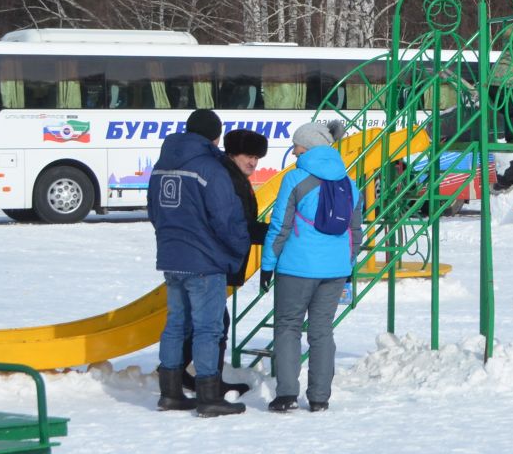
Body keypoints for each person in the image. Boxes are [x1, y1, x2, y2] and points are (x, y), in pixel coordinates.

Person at [149, 108, 251, 418]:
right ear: (215, 136)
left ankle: (170, 393)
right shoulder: (210, 168)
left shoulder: (161, 165)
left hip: (171, 257)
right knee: (209, 328)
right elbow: (225, 217)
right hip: (205, 261)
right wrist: (238, 248)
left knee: (176, 324)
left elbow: (154, 210)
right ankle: (208, 396)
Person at [260, 121, 360, 413]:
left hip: (297, 268)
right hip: (335, 270)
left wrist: (268, 264)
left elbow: (280, 227)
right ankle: (319, 398)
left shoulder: (295, 180)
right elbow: (356, 231)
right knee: (321, 331)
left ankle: (287, 393)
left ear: (308, 147)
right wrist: (347, 263)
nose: (293, 151)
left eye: (297, 146)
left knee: (288, 327)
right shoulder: (350, 183)